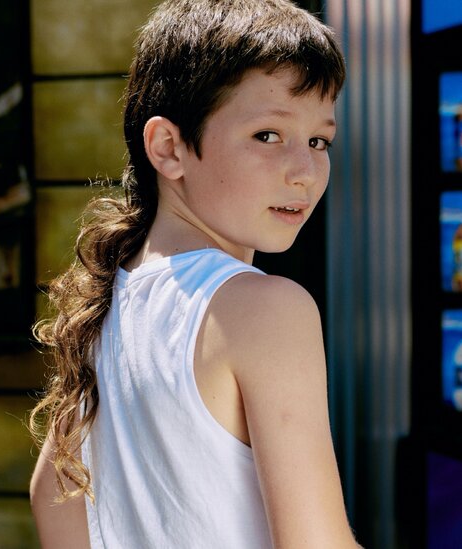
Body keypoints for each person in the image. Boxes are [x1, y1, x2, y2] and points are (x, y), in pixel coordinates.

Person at [26, 1, 363, 547]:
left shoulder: (111, 294)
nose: (304, 172)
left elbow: (53, 495)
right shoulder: (268, 309)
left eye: (319, 141)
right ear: (169, 148)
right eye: (269, 135)